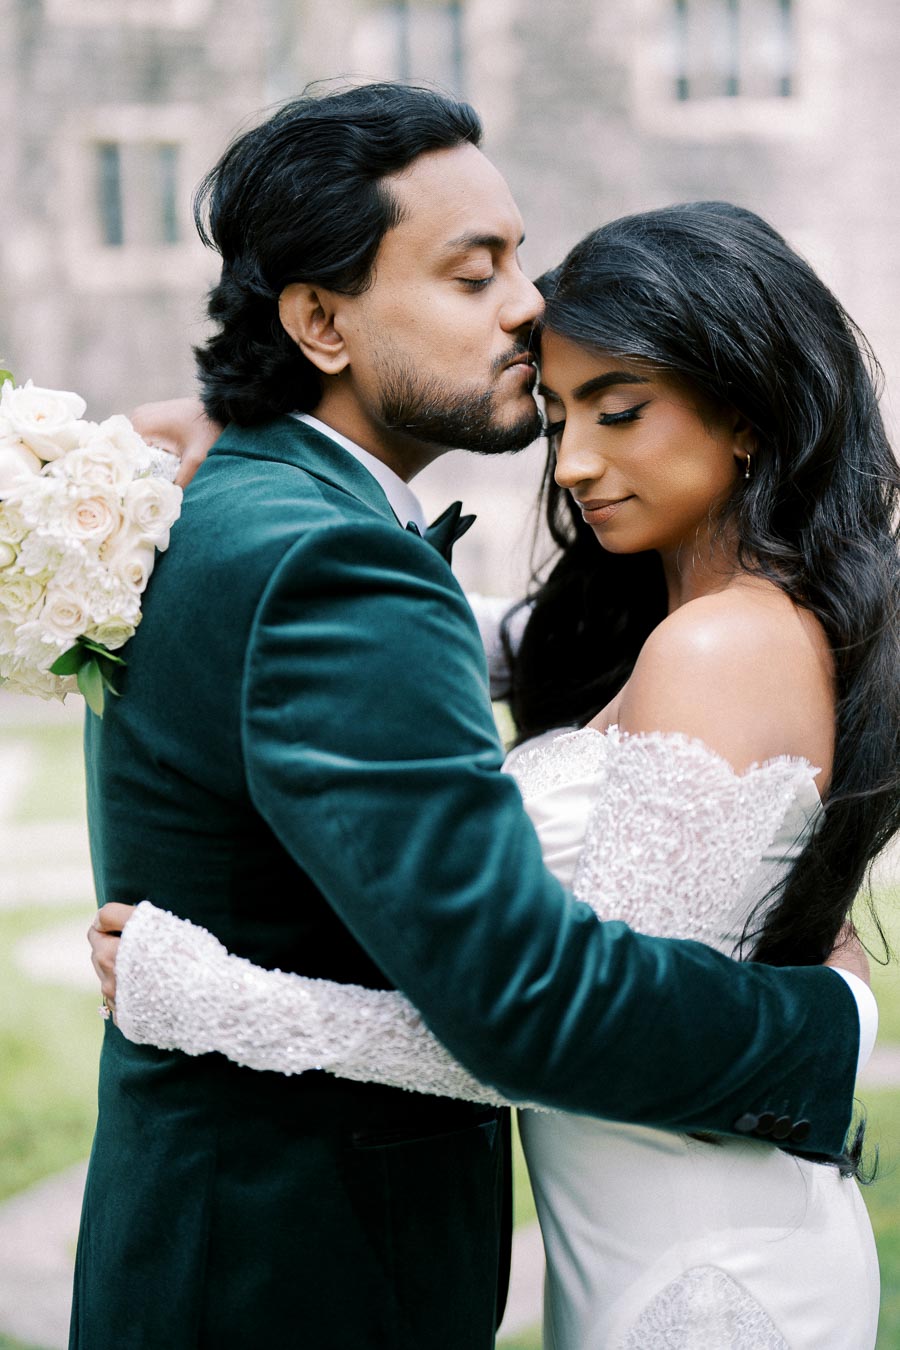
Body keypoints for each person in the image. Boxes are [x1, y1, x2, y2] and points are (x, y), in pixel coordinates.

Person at [75, 84, 877, 1350]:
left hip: (678, 1262)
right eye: (473, 272)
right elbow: (536, 1004)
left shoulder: (269, 521)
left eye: (517, 257)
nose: (525, 304)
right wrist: (827, 1023)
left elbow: (538, 1012)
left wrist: (216, 997)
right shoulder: (331, 558)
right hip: (299, 1278)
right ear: (321, 323)